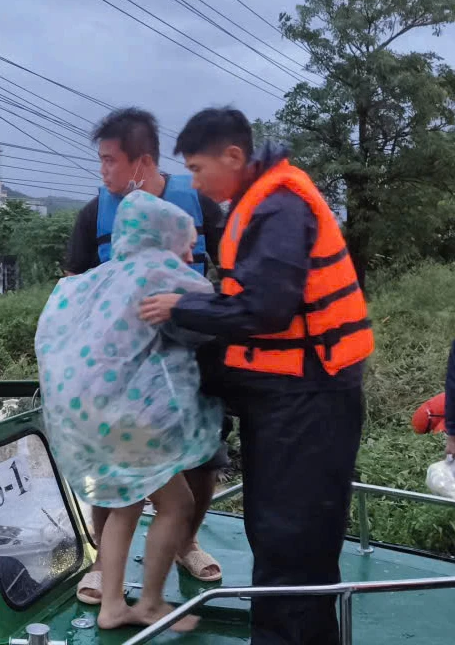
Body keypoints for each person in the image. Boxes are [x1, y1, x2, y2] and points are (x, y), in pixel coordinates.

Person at [139, 108, 373, 645]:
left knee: (292, 541)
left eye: (198, 169)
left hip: (309, 397)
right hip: (287, 397)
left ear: (234, 157)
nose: (195, 183)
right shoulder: (262, 201)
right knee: (277, 534)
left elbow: (265, 310)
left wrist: (180, 308)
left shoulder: (281, 206)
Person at [38, 190, 223, 632]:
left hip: (91, 415)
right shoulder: (164, 274)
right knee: (177, 504)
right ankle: (154, 601)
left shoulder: (99, 278)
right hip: (135, 417)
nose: (190, 250)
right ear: (165, 236)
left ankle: (113, 605)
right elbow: (211, 321)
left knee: (125, 504)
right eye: (186, 240)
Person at [63, 108, 227, 604]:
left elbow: (235, 282)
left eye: (110, 161)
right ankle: (102, 564)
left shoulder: (199, 206)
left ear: (142, 163)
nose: (103, 172)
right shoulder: (95, 214)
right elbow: (73, 284)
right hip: (120, 366)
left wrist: (192, 304)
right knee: (107, 458)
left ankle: (185, 544)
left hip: (189, 359)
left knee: (202, 458)